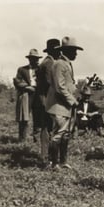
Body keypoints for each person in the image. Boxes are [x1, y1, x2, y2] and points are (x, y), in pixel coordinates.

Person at [46, 36, 83, 169]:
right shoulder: (59, 64)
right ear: (65, 51)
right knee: (59, 133)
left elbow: (68, 85)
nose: (76, 54)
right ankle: (53, 163)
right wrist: (72, 100)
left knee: (66, 134)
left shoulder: (66, 64)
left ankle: (63, 161)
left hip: (66, 104)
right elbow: (59, 87)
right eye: (73, 51)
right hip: (58, 105)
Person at [36, 38, 61, 167]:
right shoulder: (49, 63)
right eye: (57, 50)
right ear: (51, 50)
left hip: (43, 99)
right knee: (48, 128)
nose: (59, 52)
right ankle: (46, 157)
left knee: (47, 128)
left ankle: (46, 156)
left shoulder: (46, 62)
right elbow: (50, 83)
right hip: (46, 99)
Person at [13, 49, 42, 142]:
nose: (36, 60)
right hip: (27, 94)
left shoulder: (41, 69)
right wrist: (27, 87)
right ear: (29, 59)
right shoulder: (22, 69)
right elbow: (17, 81)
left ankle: (36, 138)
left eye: (37, 58)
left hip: (38, 94)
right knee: (24, 116)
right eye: (33, 58)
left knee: (38, 116)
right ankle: (22, 139)